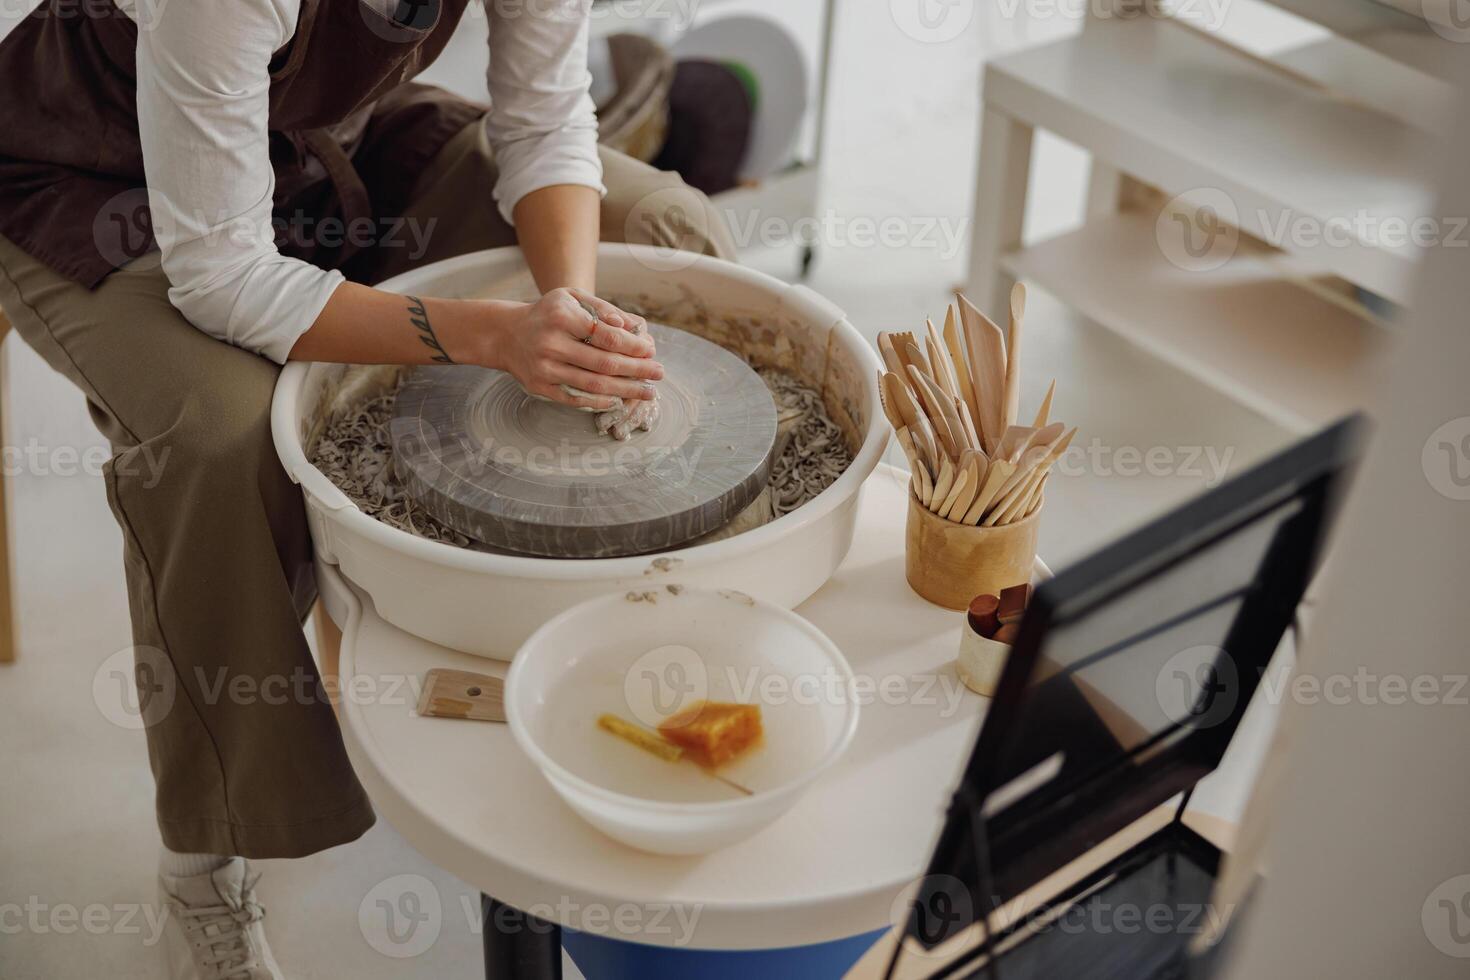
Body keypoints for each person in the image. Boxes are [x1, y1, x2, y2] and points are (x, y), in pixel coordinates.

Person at [0, 0, 734, 975]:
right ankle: (203, 855)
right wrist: (488, 334)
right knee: (224, 432)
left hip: (317, 146)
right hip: (94, 176)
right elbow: (221, 274)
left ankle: (613, 650)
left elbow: (547, 121)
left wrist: (571, 307)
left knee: (663, 228)